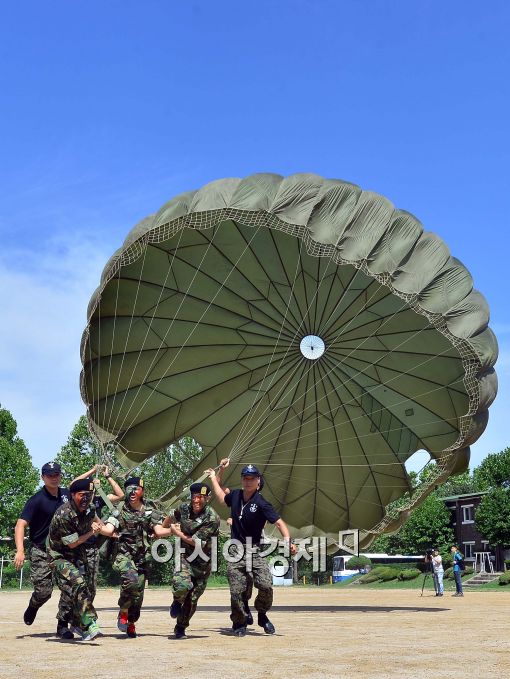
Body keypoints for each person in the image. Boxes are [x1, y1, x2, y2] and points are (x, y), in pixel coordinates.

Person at [207, 459, 297, 637]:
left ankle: (262, 615)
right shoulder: (235, 496)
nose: (248, 481)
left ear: (258, 482)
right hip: (235, 550)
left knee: (265, 585)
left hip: (255, 549)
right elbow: (219, 490)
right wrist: (219, 472)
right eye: (245, 478)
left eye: (251, 478)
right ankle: (239, 622)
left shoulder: (262, 503)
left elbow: (279, 523)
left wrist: (288, 541)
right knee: (236, 590)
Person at [100, 476, 169, 638]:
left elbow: (159, 531)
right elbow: (109, 529)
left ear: (142, 492)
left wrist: (175, 530)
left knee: (137, 596)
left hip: (142, 558)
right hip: (123, 555)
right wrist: (97, 527)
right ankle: (123, 612)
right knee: (130, 580)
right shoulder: (119, 510)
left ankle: (131, 622)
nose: (132, 491)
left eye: (136, 488)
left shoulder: (151, 511)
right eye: (129, 488)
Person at [13, 461, 73, 638]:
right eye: (50, 475)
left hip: (63, 551)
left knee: (70, 586)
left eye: (57, 475)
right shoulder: (36, 500)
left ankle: (63, 625)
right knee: (44, 592)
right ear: (43, 477)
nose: (54, 478)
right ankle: (33, 605)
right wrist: (20, 550)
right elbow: (20, 525)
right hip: (41, 550)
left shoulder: (67, 495)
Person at [47, 478, 107, 641]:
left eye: (89, 495)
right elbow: (72, 543)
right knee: (76, 584)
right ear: (73, 495)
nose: (86, 499)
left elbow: (99, 524)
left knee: (88, 589)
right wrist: (92, 533)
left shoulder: (90, 509)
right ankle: (88, 623)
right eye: (82, 495)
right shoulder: (64, 514)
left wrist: (104, 528)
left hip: (78, 553)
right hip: (59, 556)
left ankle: (75, 623)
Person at [162, 482, 220, 639]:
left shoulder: (212, 518)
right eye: (194, 497)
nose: (196, 501)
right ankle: (176, 600)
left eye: (201, 498)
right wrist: (163, 528)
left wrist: (176, 533)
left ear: (207, 498)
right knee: (182, 584)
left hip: (203, 563)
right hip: (184, 557)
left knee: (192, 600)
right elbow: (171, 516)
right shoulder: (184, 508)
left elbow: (198, 543)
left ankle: (180, 627)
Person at [71, 464, 124, 602]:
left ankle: (86, 611)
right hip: (75, 545)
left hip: (91, 546)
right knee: (75, 583)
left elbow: (120, 495)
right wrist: (93, 470)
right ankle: (74, 614)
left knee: (91, 586)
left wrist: (107, 476)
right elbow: (73, 484)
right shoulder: (76, 501)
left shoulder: (99, 500)